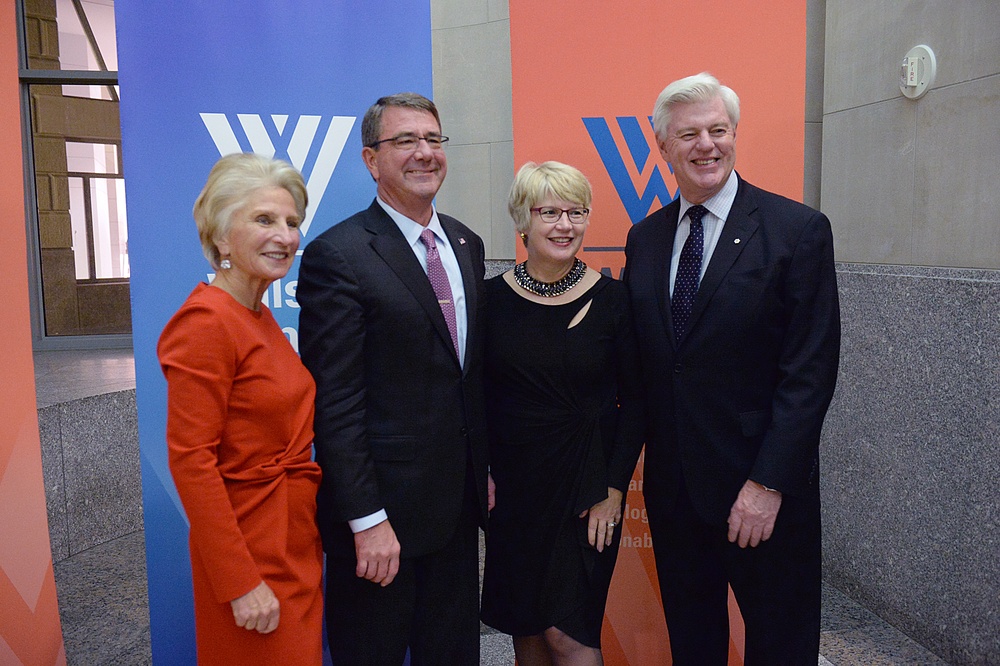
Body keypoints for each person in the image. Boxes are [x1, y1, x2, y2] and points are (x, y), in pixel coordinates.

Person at [623, 72, 841, 664]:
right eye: (688, 134)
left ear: (735, 134)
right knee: (694, 646)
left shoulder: (796, 231)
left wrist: (767, 484)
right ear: (663, 147)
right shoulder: (644, 241)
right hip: (675, 497)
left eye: (718, 130)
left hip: (762, 495)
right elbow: (646, 372)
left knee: (780, 645)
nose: (706, 145)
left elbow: (810, 374)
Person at [297, 92, 490, 665]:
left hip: (456, 513)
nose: (424, 153)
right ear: (370, 159)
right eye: (405, 140)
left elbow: (467, 378)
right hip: (381, 524)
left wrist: (483, 470)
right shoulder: (340, 254)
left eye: (433, 139)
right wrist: (366, 519)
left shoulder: (465, 243)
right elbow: (335, 401)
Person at [158, 153, 323, 665]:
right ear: (223, 237)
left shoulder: (256, 314)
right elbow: (191, 461)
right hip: (250, 554)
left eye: (292, 222)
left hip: (292, 546)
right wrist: (239, 581)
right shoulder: (206, 323)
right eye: (264, 219)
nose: (286, 235)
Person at [480, 161, 644, 665]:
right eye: (549, 212)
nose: (564, 225)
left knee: (568, 636)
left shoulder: (616, 300)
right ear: (523, 221)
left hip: (587, 491)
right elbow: (477, 399)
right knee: (527, 631)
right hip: (514, 492)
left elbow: (637, 403)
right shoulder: (488, 301)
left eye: (576, 212)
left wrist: (613, 490)